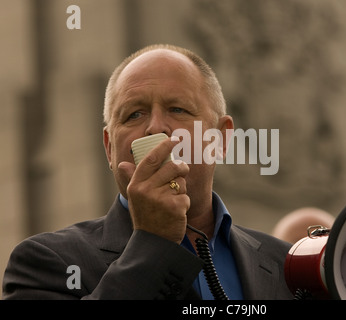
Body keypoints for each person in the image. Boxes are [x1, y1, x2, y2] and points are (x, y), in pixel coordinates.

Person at [2, 44, 294, 300]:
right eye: (134, 114)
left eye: (177, 109)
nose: (155, 127)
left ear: (220, 139)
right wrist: (152, 244)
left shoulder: (287, 264)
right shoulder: (48, 262)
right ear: (109, 148)